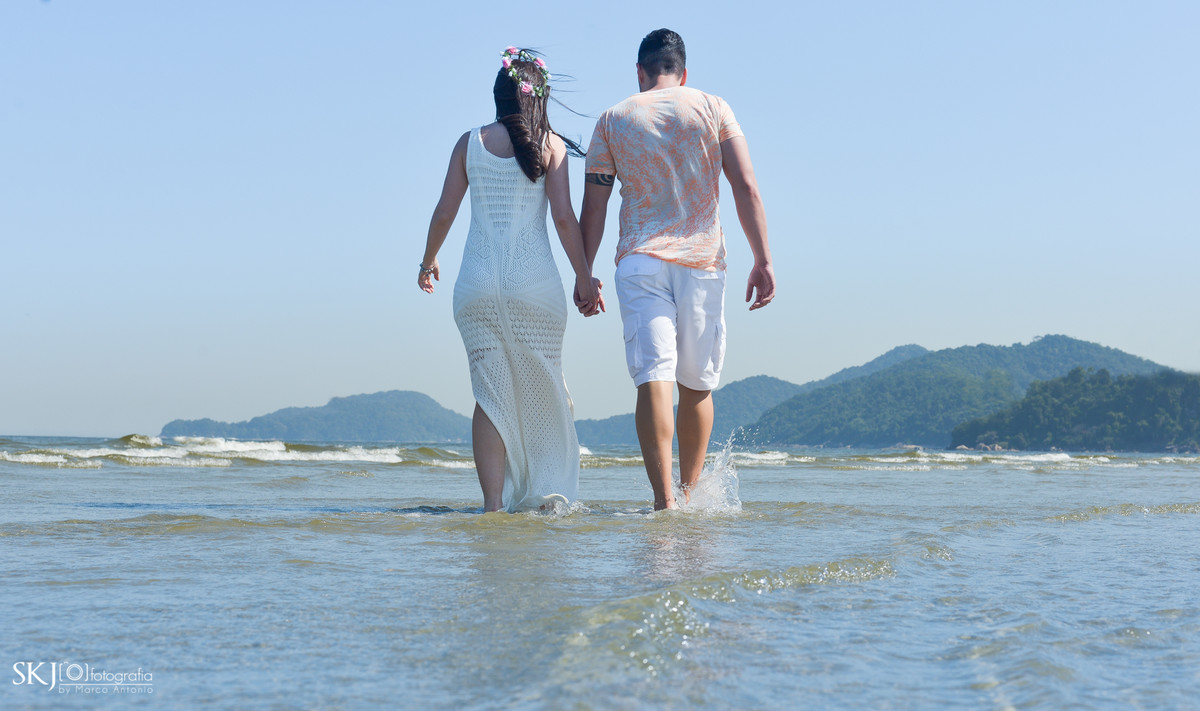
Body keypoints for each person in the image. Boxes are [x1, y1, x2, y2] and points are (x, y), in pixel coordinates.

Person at [579, 29, 775, 511]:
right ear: (683, 72)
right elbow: (746, 185)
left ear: (640, 72)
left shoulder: (613, 118)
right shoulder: (714, 107)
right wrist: (763, 259)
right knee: (697, 385)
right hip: (702, 262)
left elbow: (594, 207)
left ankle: (663, 502)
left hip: (640, 260)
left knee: (653, 378)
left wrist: (585, 272)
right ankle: (688, 495)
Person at [419, 47, 602, 513]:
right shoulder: (550, 145)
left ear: (499, 95)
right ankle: (548, 496)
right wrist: (585, 276)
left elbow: (444, 212)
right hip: (533, 286)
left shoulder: (469, 143)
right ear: (540, 97)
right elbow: (564, 218)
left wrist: (428, 260)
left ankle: (493, 506)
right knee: (546, 388)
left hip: (476, 286)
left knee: (490, 395)